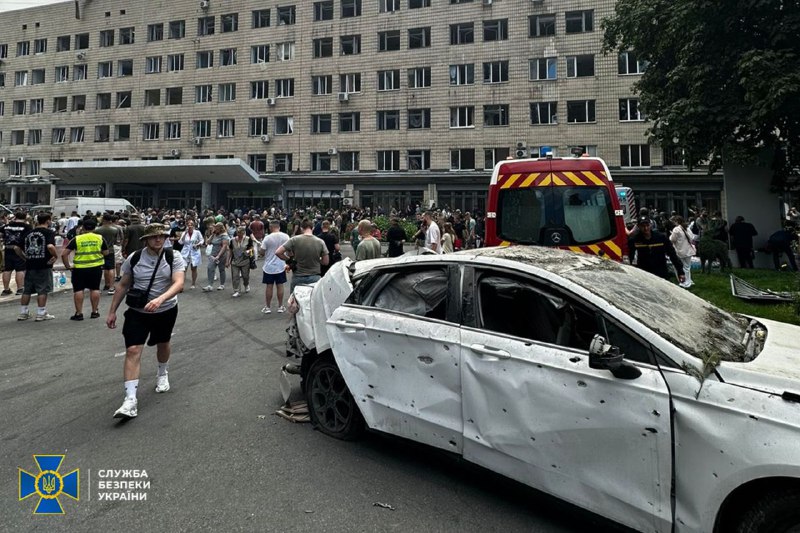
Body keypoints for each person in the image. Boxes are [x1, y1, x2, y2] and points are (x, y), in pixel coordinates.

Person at [106, 223, 187, 420]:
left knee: (163, 343)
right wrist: (112, 311)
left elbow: (179, 282)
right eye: (154, 237)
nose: (158, 240)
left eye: (162, 236)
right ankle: (130, 400)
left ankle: (162, 372)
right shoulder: (135, 258)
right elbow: (123, 284)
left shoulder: (173, 256)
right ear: (146, 240)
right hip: (137, 311)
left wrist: (160, 299)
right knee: (133, 349)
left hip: (165, 310)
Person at [62, 218, 109, 320]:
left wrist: (67, 266)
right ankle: (95, 311)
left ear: (83, 227)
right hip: (95, 267)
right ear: (95, 227)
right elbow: (106, 253)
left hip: (79, 268)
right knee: (95, 288)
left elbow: (64, 254)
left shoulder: (77, 239)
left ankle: (79, 313)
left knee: (79, 290)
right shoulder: (100, 238)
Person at [17, 212, 58, 321]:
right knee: (42, 289)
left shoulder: (29, 233)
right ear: (48, 220)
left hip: (30, 264)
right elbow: (50, 246)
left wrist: (24, 257)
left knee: (27, 289)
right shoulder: (49, 232)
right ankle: (41, 312)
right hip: (44, 264)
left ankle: (23, 312)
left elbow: (16, 248)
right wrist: (55, 255)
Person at [276, 219, 329, 294]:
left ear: (301, 228)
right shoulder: (320, 242)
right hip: (315, 277)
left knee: (295, 303)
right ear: (312, 228)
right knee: (313, 302)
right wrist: (317, 259)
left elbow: (278, 252)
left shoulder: (294, 240)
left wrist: (289, 260)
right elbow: (326, 262)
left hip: (298, 276)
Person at [629, 216, 686, 284]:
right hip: (644, 273)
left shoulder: (661, 238)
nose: (645, 228)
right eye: (642, 226)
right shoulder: (635, 240)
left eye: (647, 225)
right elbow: (630, 256)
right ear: (638, 226)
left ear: (650, 225)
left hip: (661, 272)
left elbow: (672, 254)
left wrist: (680, 272)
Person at [260, 220, 290, 313]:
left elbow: (262, 252)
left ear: (270, 227)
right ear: (279, 227)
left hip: (269, 266)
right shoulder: (286, 236)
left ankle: (268, 307)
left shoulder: (267, 238)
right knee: (280, 285)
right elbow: (289, 250)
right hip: (281, 264)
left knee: (269, 286)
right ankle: (280, 306)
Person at [2, 211, 31, 296]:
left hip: (8, 249)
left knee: (7, 270)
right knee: (20, 269)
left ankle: (6, 289)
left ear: (15, 216)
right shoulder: (27, 227)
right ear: (25, 217)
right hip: (19, 250)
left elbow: (1, 234)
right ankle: (20, 289)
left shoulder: (7, 226)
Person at [96, 213, 123, 295]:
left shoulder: (97, 230)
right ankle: (111, 287)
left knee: (102, 268)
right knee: (111, 268)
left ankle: (104, 285)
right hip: (110, 250)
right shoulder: (114, 230)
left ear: (103, 219)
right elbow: (116, 241)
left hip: (100, 251)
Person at [669, 216, 696, 289]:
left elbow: (672, 239)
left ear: (676, 222)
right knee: (687, 267)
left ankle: (684, 282)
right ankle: (689, 280)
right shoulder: (687, 228)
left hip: (680, 250)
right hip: (688, 250)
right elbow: (692, 237)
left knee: (680, 267)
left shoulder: (676, 229)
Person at [228, 226, 254, 297]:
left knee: (245, 276)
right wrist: (228, 261)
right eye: (238, 232)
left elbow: (252, 249)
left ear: (244, 232)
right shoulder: (232, 240)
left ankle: (246, 284)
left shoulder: (248, 239)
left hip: (245, 261)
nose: (239, 234)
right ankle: (237, 290)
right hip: (235, 261)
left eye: (240, 232)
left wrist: (249, 252)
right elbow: (230, 251)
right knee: (235, 276)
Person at [203, 222, 230, 291]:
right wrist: (212, 234)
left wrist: (218, 256)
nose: (215, 229)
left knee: (221, 269)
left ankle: (222, 284)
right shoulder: (215, 234)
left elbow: (224, 246)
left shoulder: (224, 235)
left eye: (216, 228)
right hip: (213, 254)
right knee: (210, 268)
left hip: (221, 255)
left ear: (220, 228)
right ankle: (210, 285)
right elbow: (208, 242)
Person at [178, 219, 204, 288]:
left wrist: (198, 244)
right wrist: (185, 233)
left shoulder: (197, 232)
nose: (190, 226)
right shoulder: (184, 233)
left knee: (193, 269)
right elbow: (180, 242)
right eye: (188, 225)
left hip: (195, 252)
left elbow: (202, 240)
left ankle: (193, 283)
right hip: (185, 253)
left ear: (194, 226)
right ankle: (181, 285)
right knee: (183, 269)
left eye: (191, 225)